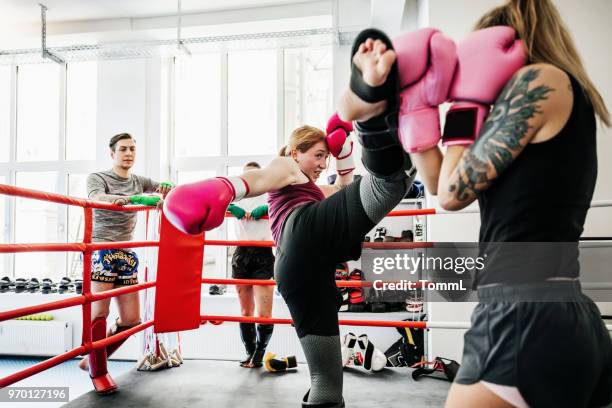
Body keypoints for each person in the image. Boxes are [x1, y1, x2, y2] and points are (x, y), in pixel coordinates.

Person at [163, 32, 420, 403]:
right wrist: (224, 187)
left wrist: (344, 157)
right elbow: (261, 179)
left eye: (325, 159)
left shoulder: (312, 186)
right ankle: (369, 106)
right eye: (317, 156)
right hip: (304, 234)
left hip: (297, 270)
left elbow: (344, 193)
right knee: (387, 184)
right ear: (296, 152)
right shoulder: (285, 165)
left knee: (326, 381)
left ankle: (384, 130)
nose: (321, 164)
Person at [391, 1, 611, 407]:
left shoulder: (539, 80)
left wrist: (466, 103)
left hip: (522, 314)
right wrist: (416, 108)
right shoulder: (565, 94)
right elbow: (441, 186)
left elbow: (456, 195)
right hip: (559, 311)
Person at [82, 132, 174, 394]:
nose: (129, 153)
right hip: (101, 248)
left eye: (132, 149)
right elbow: (96, 197)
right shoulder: (98, 177)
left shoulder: (138, 180)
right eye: (123, 149)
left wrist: (167, 187)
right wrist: (129, 199)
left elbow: (165, 190)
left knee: (132, 319)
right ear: (112, 153)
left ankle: (92, 358)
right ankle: (99, 372)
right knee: (100, 313)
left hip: (126, 252)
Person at [227, 161, 276, 368]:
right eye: (247, 176)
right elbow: (216, 201)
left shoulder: (270, 194)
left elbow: (284, 204)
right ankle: (249, 352)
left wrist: (266, 208)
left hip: (263, 253)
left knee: (263, 313)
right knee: (246, 312)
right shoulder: (236, 195)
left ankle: (258, 354)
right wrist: (232, 208)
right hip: (241, 253)